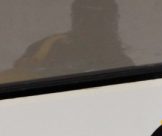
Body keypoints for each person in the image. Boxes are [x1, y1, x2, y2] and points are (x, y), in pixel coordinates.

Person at [0, 0, 133, 84]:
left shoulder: (121, 64)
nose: (91, 24)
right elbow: (20, 75)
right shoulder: (49, 46)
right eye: (84, 17)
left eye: (101, 19)